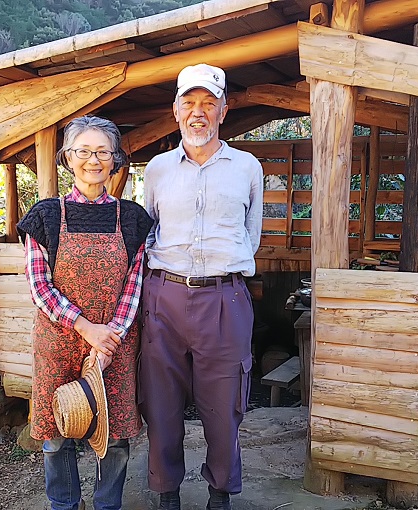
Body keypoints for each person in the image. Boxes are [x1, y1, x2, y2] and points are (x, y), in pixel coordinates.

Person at [139, 64, 263, 510]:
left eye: (209, 104)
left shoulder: (247, 167)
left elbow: (252, 235)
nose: (198, 113)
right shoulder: (156, 169)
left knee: (224, 403)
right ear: (175, 111)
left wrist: (220, 272)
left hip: (225, 298)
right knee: (161, 401)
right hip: (164, 296)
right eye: (189, 104)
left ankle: (220, 493)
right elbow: (148, 231)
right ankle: (165, 492)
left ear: (224, 110)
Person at [17, 115, 153, 510]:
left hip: (115, 343)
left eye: (102, 152)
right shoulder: (44, 216)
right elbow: (39, 287)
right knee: (56, 432)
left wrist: (110, 335)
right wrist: (85, 328)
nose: (93, 160)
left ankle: (106, 504)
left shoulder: (132, 218)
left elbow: (134, 283)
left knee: (116, 433)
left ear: (116, 160)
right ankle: (63, 503)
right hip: (59, 342)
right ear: (67, 158)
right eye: (83, 151)